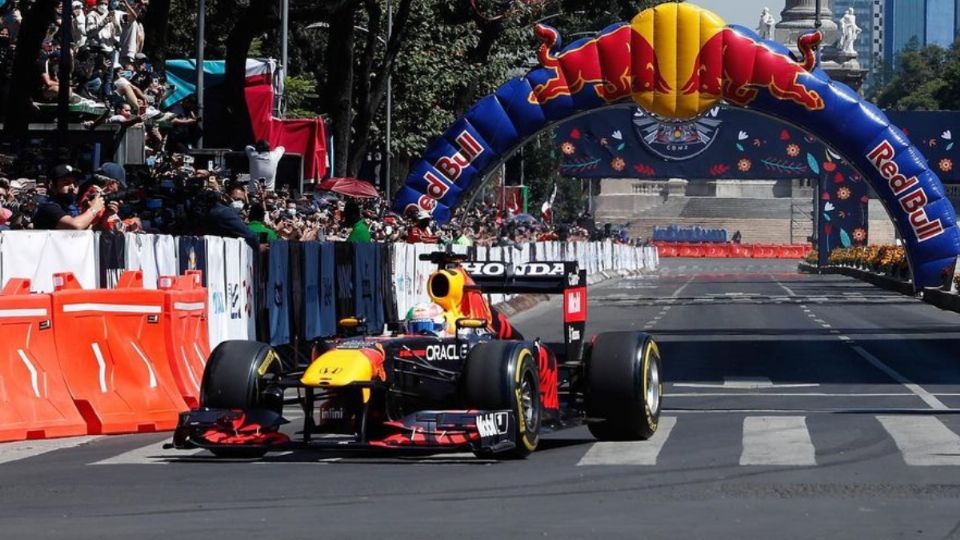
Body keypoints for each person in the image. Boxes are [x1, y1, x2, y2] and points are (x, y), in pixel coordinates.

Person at [33, 164, 106, 230]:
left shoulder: (72, 207)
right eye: (66, 183)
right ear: (52, 186)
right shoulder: (48, 207)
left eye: (76, 183)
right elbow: (75, 225)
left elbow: (85, 228)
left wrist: (107, 214)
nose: (72, 187)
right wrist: (94, 209)